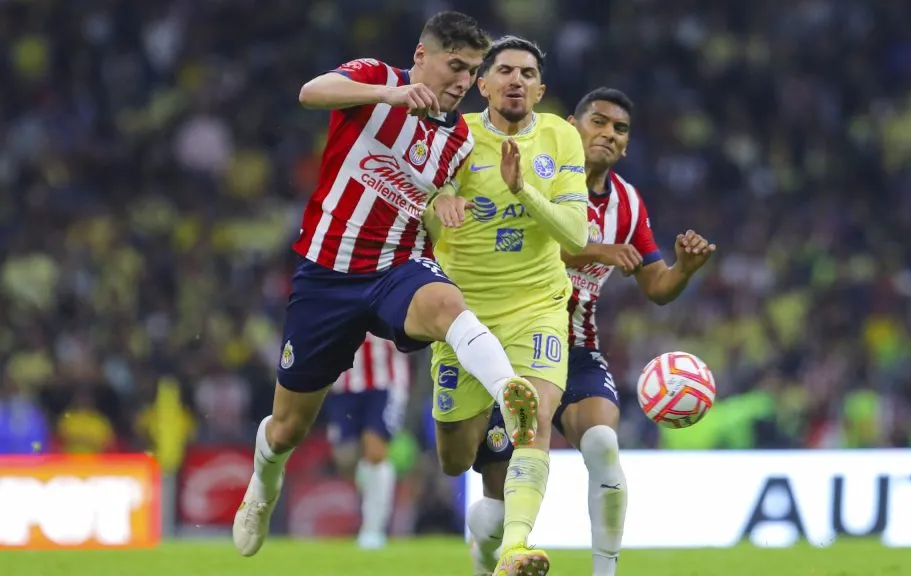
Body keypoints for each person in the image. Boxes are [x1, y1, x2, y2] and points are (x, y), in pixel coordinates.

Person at [232, 12, 538, 557]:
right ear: (422, 56)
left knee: (446, 303)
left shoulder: (460, 139)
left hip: (397, 266)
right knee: (287, 429)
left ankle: (509, 392)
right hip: (327, 273)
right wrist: (389, 96)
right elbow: (310, 92)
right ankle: (264, 480)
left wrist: (445, 205)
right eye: (455, 66)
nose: (463, 81)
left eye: (472, 71)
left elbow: (433, 206)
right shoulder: (375, 78)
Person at [466, 88, 716, 576]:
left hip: (576, 348)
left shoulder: (627, 202)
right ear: (570, 126)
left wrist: (683, 270)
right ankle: (485, 550)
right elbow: (522, 243)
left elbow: (656, 286)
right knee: (496, 516)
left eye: (619, 129)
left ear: (626, 144)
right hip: (511, 349)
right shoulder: (529, 176)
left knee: (602, 443)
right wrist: (598, 250)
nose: (608, 133)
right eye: (598, 121)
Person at [424, 36, 588, 576]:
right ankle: (489, 534)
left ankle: (515, 546)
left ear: (540, 89)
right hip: (463, 316)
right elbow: (421, 208)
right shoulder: (456, 134)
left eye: (528, 73)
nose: (516, 79)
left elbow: (576, 235)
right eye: (505, 71)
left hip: (537, 305)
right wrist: (438, 201)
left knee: (536, 418)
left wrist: (524, 191)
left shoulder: (560, 137)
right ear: (483, 84)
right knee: (455, 458)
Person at [324, 334, 409, 550]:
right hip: (343, 385)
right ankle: (371, 501)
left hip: (384, 380)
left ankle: (373, 530)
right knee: (345, 458)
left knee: (375, 452)